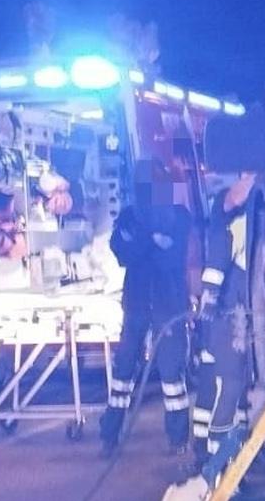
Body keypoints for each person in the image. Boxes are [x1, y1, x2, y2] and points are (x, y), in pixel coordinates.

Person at [100, 200, 192, 455]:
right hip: (137, 305)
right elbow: (122, 253)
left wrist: (140, 241)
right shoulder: (130, 215)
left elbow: (172, 258)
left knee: (172, 374)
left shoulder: (179, 217)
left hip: (168, 307)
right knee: (124, 370)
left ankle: (178, 440)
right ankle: (109, 435)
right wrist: (152, 240)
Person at [191, 173, 256, 466]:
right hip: (227, 320)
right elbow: (216, 265)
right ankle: (217, 464)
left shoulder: (246, 221)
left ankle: (220, 456)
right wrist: (210, 296)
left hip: (233, 320)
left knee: (227, 388)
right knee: (228, 387)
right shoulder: (233, 219)